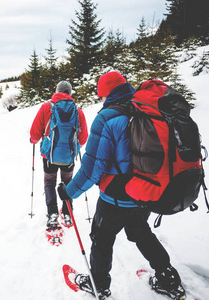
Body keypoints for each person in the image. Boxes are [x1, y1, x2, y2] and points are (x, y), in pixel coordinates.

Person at [57, 72, 185, 299]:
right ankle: (168, 278)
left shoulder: (107, 118)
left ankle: (99, 285)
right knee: (140, 232)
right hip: (145, 191)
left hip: (115, 197)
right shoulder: (143, 109)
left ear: (105, 93)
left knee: (102, 238)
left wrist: (69, 192)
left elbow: (92, 169)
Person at [30, 81, 88, 228]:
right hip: (68, 156)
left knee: (49, 182)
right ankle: (67, 212)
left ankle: (53, 213)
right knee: (67, 182)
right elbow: (83, 137)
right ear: (70, 93)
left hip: (49, 156)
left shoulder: (46, 107)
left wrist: (33, 140)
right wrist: (74, 148)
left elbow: (35, 133)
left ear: (57, 91)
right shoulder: (77, 110)